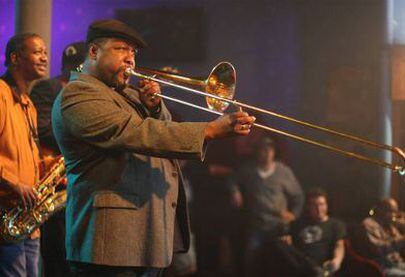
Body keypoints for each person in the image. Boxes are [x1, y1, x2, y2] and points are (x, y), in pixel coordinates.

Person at [51, 19, 255, 277]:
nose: (130, 59)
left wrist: (154, 108)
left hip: (147, 239)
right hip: (110, 245)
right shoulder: (78, 94)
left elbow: (163, 130)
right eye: (121, 49)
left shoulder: (126, 94)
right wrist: (209, 130)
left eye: (133, 53)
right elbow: (134, 133)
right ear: (93, 52)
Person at [30, 41, 86, 277]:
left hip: (76, 183)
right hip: (55, 184)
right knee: (57, 258)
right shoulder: (49, 88)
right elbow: (42, 129)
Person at [0, 33, 48, 276]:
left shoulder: (28, 103)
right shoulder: (0, 93)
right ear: (15, 58)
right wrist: (13, 183)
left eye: (46, 52)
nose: (45, 57)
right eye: (38, 52)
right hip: (5, 213)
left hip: (26, 220)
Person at [230, 136, 304, 276]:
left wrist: (294, 214)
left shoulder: (283, 172)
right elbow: (232, 179)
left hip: (279, 227)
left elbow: (298, 196)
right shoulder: (249, 170)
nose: (267, 153)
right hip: (256, 226)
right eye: (263, 150)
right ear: (257, 152)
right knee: (251, 262)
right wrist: (235, 191)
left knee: (280, 264)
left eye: (270, 149)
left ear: (274, 152)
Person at [289, 188, 346, 276]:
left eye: (321, 204)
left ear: (326, 205)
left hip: (323, 268)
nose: (319, 209)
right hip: (301, 268)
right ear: (308, 207)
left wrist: (336, 261)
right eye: (314, 205)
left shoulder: (335, 225)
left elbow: (339, 245)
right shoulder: (298, 225)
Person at [361, 198, 405, 276]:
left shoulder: (391, 226)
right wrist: (404, 238)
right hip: (380, 267)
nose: (393, 215)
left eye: (395, 212)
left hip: (396, 263)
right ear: (380, 209)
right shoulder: (369, 224)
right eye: (391, 211)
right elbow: (378, 249)